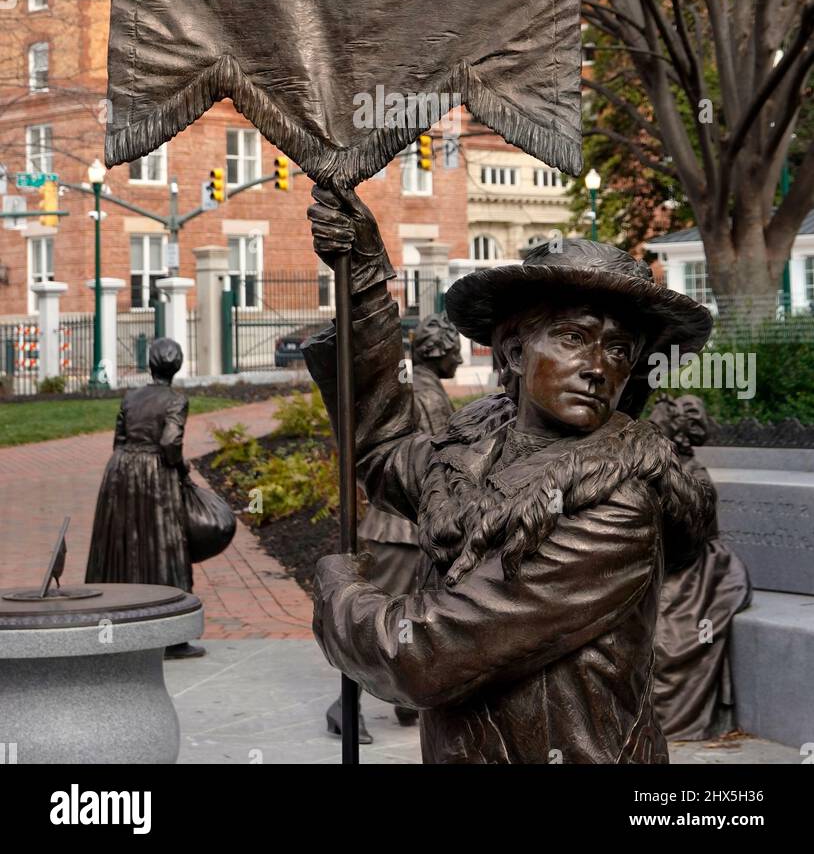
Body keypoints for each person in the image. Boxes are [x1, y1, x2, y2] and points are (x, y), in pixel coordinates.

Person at [303, 188, 717, 764]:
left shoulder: (618, 500)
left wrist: (338, 592)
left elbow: (426, 654)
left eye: (619, 349)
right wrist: (367, 287)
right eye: (573, 338)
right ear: (516, 352)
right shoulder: (474, 446)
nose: (598, 368)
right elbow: (383, 450)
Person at [325, 310, 462, 739]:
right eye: (455, 347)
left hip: (403, 525)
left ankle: (405, 703)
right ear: (439, 351)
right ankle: (342, 706)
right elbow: (441, 465)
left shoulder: (421, 387)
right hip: (399, 527)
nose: (460, 356)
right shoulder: (429, 394)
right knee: (375, 619)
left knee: (406, 616)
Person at [85, 336, 203, 659]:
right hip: (156, 474)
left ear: (150, 364)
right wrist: (181, 468)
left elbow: (119, 440)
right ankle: (173, 636)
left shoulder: (130, 396)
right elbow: (170, 443)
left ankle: (110, 629)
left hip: (120, 472)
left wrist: (128, 464)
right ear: (176, 367)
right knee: (165, 545)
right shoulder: (176, 401)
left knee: (121, 545)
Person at [650, 394, 751, 738]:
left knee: (669, 633)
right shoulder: (654, 470)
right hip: (661, 563)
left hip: (691, 567)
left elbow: (685, 543)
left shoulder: (692, 476)